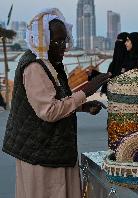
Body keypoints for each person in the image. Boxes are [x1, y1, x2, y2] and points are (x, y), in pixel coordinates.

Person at [1, 8, 110, 198]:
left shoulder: (50, 62)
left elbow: (56, 100)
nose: (63, 47)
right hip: (41, 154)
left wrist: (82, 106)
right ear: (42, 41)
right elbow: (49, 111)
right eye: (57, 42)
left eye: (64, 41)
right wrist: (87, 90)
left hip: (53, 149)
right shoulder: (35, 66)